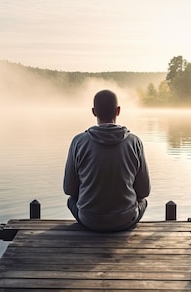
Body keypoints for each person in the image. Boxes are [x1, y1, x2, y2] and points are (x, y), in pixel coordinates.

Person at [63, 89, 150, 232]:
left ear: (94, 111)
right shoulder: (135, 142)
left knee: (71, 201)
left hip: (89, 220)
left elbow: (69, 189)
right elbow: (144, 191)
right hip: (126, 220)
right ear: (118, 110)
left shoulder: (78, 142)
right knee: (143, 202)